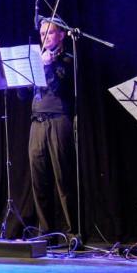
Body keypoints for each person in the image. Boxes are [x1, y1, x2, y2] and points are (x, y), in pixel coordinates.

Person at [26, 17, 78, 241]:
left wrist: (48, 66)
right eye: (42, 33)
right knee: (39, 181)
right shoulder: (36, 59)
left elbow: (61, 88)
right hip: (36, 122)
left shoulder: (67, 59)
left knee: (64, 179)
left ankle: (73, 232)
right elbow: (23, 95)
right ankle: (45, 233)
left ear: (62, 35)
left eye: (49, 33)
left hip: (59, 120)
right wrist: (28, 76)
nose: (44, 37)